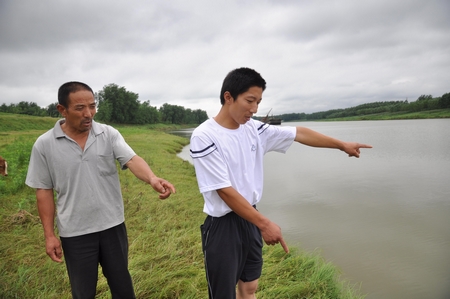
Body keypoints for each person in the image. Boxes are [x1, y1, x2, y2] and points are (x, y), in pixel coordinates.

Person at [189, 67, 372, 299]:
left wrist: (341, 144)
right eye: (250, 101)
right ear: (228, 97)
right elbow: (224, 191)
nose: (255, 109)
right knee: (223, 294)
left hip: (250, 217)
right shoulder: (204, 136)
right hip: (223, 226)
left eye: (259, 102)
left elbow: (299, 133)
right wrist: (264, 224)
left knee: (249, 288)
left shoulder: (254, 128)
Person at [25, 81, 176, 299]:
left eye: (92, 106)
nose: (88, 114)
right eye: (80, 108)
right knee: (83, 293)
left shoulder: (108, 134)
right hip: (75, 232)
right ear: (62, 110)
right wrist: (49, 235)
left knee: (123, 289)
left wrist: (152, 178)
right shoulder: (44, 145)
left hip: (112, 226)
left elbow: (131, 159)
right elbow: (44, 191)